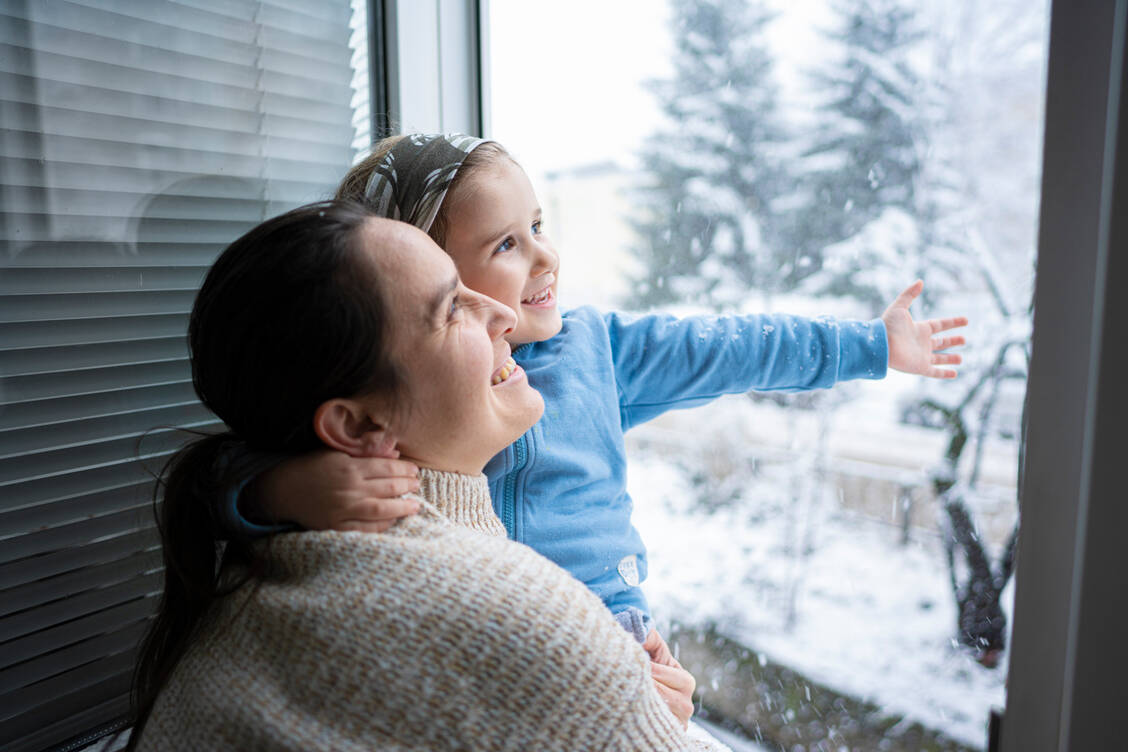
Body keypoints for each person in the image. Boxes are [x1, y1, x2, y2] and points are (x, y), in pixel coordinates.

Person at [236, 133, 967, 650]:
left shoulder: (597, 350)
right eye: (506, 244)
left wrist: (869, 346)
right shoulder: (394, 402)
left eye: (538, 225)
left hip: (608, 629)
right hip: (482, 635)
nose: (546, 254)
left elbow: (732, 348)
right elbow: (218, 480)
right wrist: (279, 492)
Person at [127, 202, 723, 751]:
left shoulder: (273, 556)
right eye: (451, 308)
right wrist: (641, 720)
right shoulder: (517, 617)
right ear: (358, 425)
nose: (503, 312)